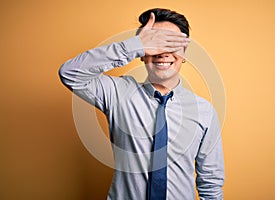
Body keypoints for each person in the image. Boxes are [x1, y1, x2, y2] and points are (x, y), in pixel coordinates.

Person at [59, 8, 224, 200]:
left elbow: (210, 182)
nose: (163, 52)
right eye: (156, 42)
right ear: (142, 54)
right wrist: (133, 46)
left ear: (185, 53)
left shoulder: (204, 112)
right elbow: (69, 73)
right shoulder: (117, 93)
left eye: (171, 43)